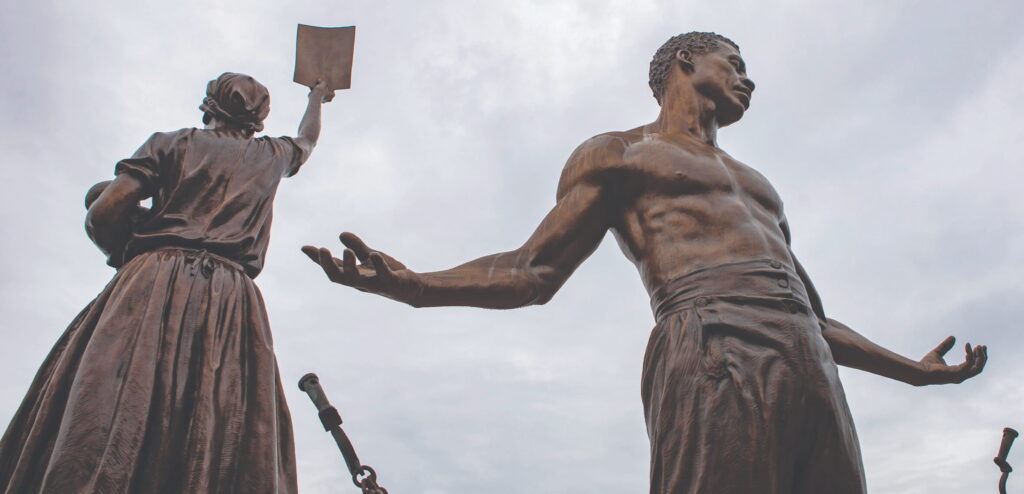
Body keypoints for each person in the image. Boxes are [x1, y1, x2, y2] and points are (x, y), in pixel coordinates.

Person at [301, 33, 987, 493]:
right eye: (733, 63)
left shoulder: (759, 187)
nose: (748, 79)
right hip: (714, 344)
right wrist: (415, 285)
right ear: (687, 61)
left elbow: (816, 318)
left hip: (807, 362)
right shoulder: (619, 153)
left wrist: (916, 376)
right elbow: (534, 271)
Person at [0, 72, 334, 493]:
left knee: (112, 398)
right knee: (222, 413)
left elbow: (104, 212)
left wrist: (128, 253)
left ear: (208, 105)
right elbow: (308, 140)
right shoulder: (271, 155)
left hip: (151, 280)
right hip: (231, 296)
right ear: (259, 117)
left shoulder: (172, 143)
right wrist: (317, 97)